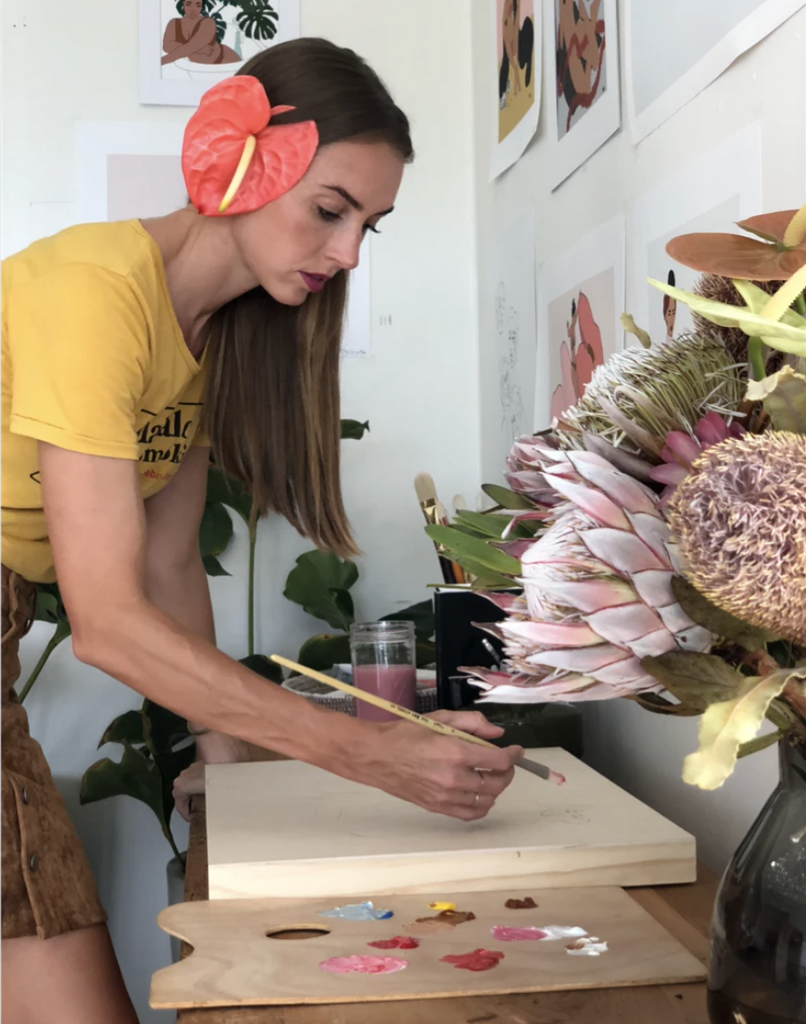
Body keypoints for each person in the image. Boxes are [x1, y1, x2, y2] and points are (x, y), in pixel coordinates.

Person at [1, 38, 523, 1023]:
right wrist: (373, 753)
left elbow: (163, 562)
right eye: (330, 210)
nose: (347, 253)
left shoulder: (198, 339)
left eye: (370, 225)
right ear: (232, 162)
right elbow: (108, 620)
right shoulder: (91, 292)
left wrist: (221, 755)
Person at [162, 0, 241, 67]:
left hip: (223, 60)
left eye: (198, 5)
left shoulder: (208, 23)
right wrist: (201, 49)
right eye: (189, 4)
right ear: (183, 3)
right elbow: (166, 46)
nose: (193, 9)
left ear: (201, 6)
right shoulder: (174, 23)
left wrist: (163, 61)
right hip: (197, 68)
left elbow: (191, 47)